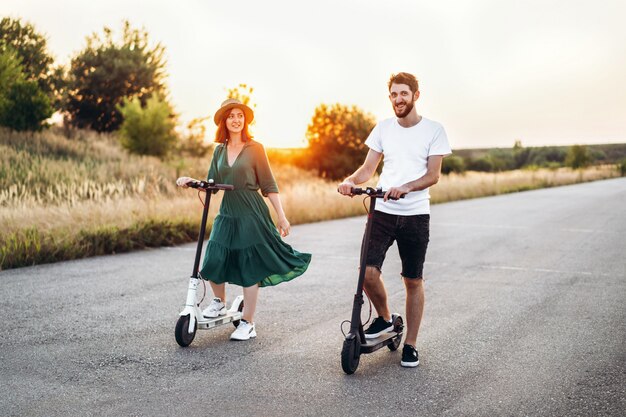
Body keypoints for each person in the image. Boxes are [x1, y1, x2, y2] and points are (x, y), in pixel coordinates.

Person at [337, 72, 451, 367]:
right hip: (383, 211)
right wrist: (350, 181)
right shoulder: (383, 128)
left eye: (403, 93)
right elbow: (367, 169)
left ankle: (410, 343)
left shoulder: (434, 130)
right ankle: (386, 319)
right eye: (393, 95)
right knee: (367, 272)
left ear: (415, 95)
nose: (398, 99)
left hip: (415, 215)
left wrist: (406, 187)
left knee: (412, 279)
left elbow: (433, 175)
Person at [176, 98, 311, 341]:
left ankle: (248, 323)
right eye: (231, 116)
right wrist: (190, 181)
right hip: (228, 212)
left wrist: (281, 216)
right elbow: (211, 183)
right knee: (214, 257)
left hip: (251, 211)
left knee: (249, 266)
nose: (236, 119)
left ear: (245, 120)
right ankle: (219, 300)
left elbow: (269, 184)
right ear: (224, 121)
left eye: (240, 115)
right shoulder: (218, 150)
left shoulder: (255, 148)